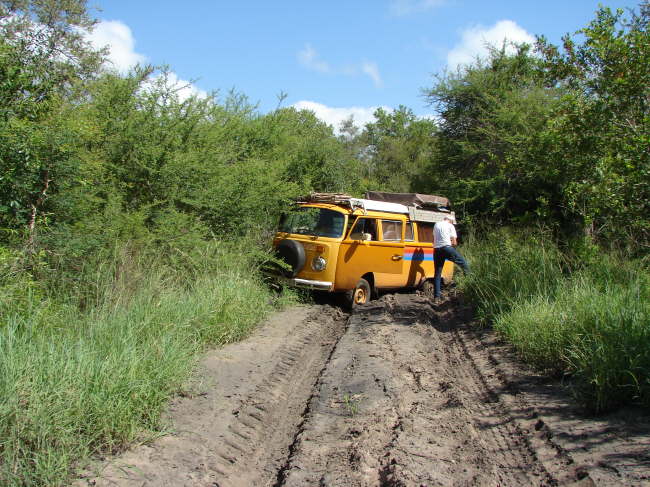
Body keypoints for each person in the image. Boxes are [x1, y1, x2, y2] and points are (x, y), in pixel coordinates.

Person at [433, 215, 469, 300]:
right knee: (464, 263)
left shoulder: (436, 225)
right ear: (451, 221)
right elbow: (454, 242)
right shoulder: (450, 225)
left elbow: (434, 238)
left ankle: (436, 297)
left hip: (437, 250)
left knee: (437, 273)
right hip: (447, 248)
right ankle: (469, 282)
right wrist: (453, 247)